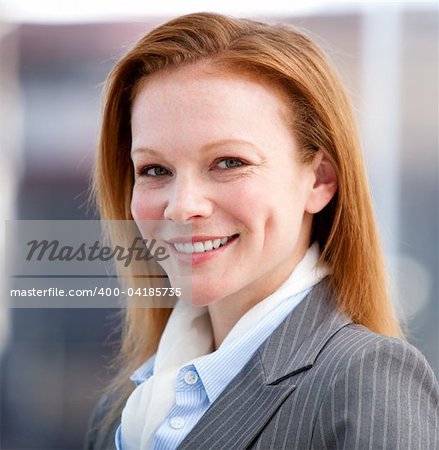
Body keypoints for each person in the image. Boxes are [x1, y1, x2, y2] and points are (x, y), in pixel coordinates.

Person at [85, 12, 438, 449]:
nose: (182, 206)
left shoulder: (365, 381)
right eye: (155, 169)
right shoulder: (122, 410)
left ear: (320, 179)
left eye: (230, 162)